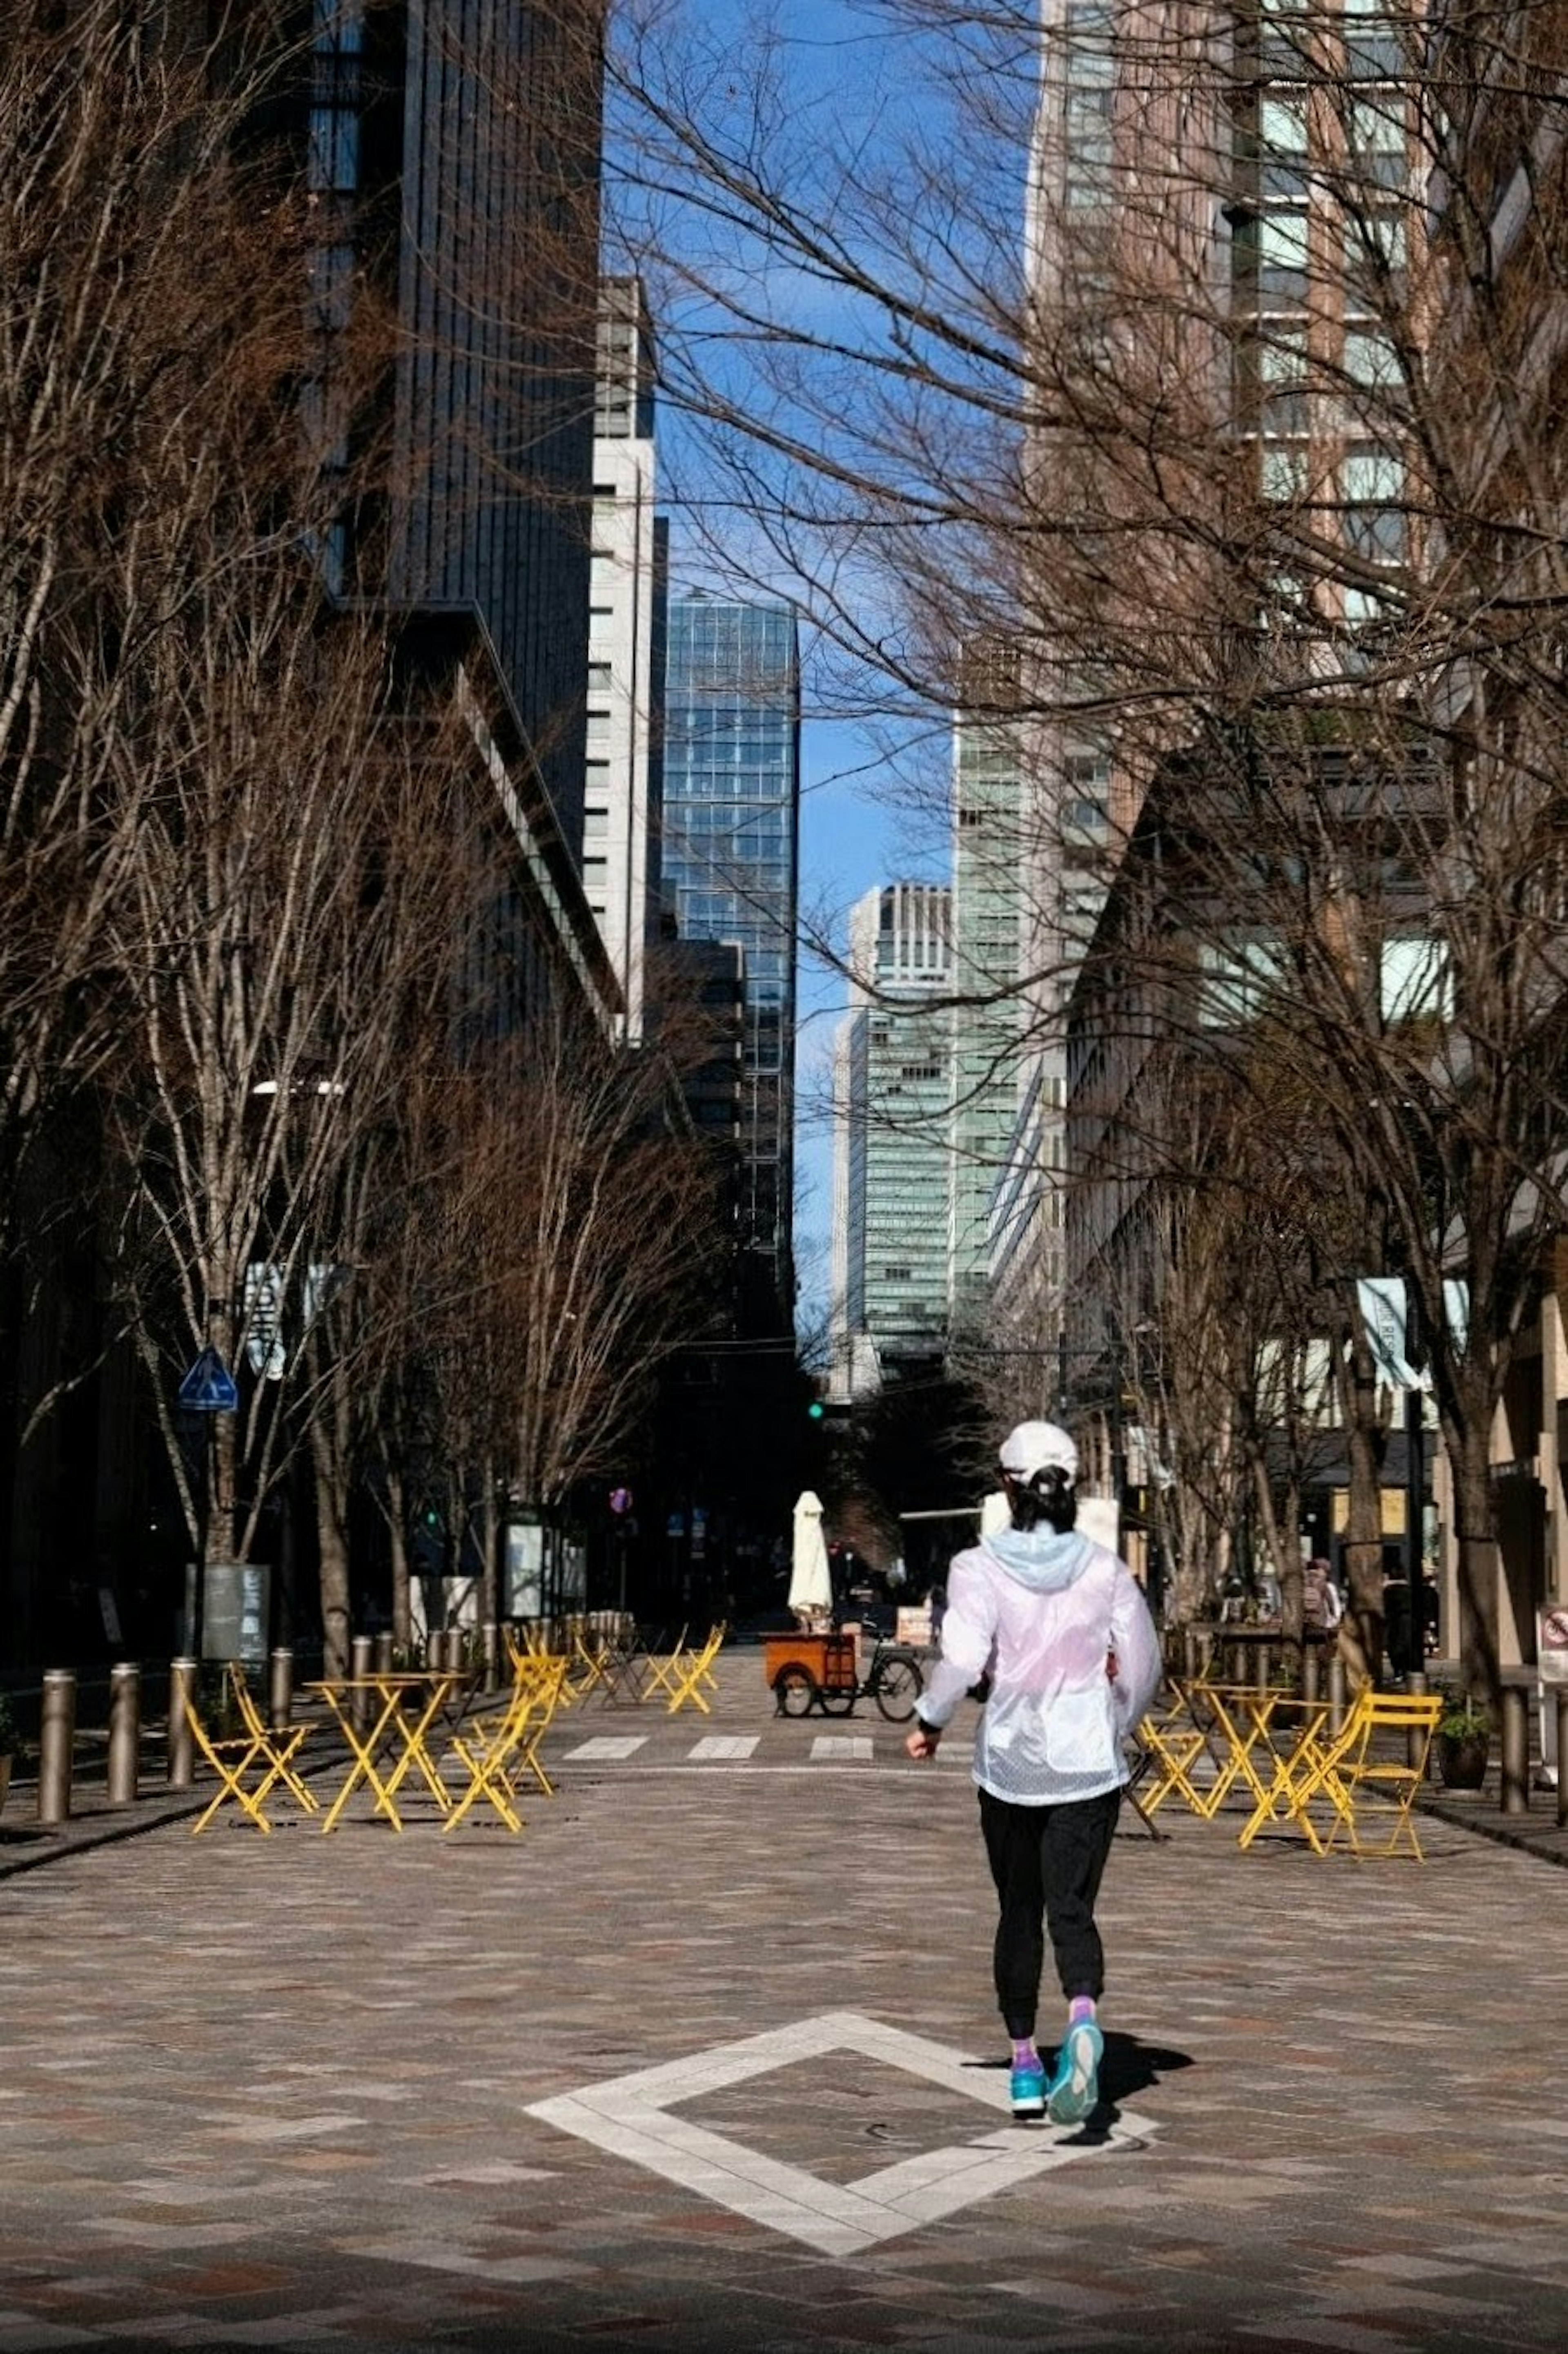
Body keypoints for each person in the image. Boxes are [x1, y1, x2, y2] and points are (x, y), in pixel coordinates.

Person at [906, 1420, 1162, 2125]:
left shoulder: (978, 1568)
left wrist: (930, 1720)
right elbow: (1141, 1664)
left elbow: (961, 1660)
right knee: (1072, 1910)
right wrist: (1114, 1720)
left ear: (1006, 1486)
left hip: (1011, 1767)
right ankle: (1082, 2017)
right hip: (1087, 1766)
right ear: (1072, 1489)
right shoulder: (1106, 1570)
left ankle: (1024, 2063)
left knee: (1019, 1911)